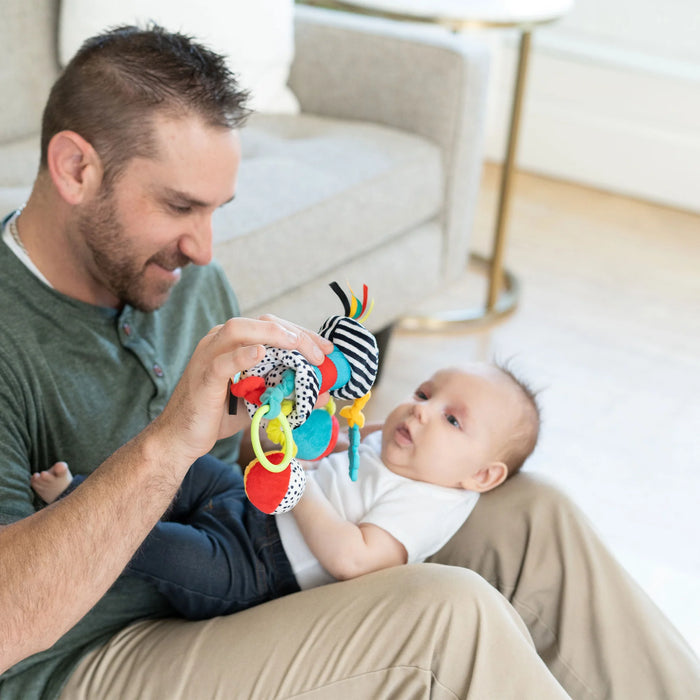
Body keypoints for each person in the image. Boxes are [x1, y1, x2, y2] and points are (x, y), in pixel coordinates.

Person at [0, 23, 697, 700]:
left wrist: (301, 419)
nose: (206, 250)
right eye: (180, 206)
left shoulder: (185, 279)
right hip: (85, 657)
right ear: (76, 168)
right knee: (445, 617)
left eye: (216, 211)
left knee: (526, 511)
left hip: (239, 573)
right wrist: (172, 441)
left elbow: (256, 471)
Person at [31, 362, 538, 618]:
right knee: (190, 468)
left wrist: (295, 487)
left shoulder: (428, 504)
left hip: (258, 570)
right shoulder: (408, 445)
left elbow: (353, 559)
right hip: (249, 501)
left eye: (452, 419)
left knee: (162, 547)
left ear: (483, 476)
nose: (421, 409)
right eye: (424, 393)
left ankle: (74, 504)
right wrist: (324, 434)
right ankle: (102, 484)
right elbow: (348, 444)